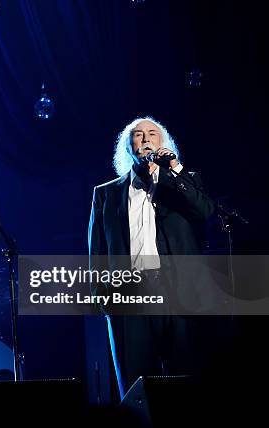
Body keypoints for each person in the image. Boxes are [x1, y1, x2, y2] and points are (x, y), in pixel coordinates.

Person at [88, 117, 215, 399]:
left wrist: (174, 172)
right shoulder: (107, 193)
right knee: (135, 386)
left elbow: (205, 212)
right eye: (138, 135)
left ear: (163, 144)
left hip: (180, 292)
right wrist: (101, 294)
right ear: (128, 145)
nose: (145, 139)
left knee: (185, 379)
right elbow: (97, 251)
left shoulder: (185, 182)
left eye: (152, 134)